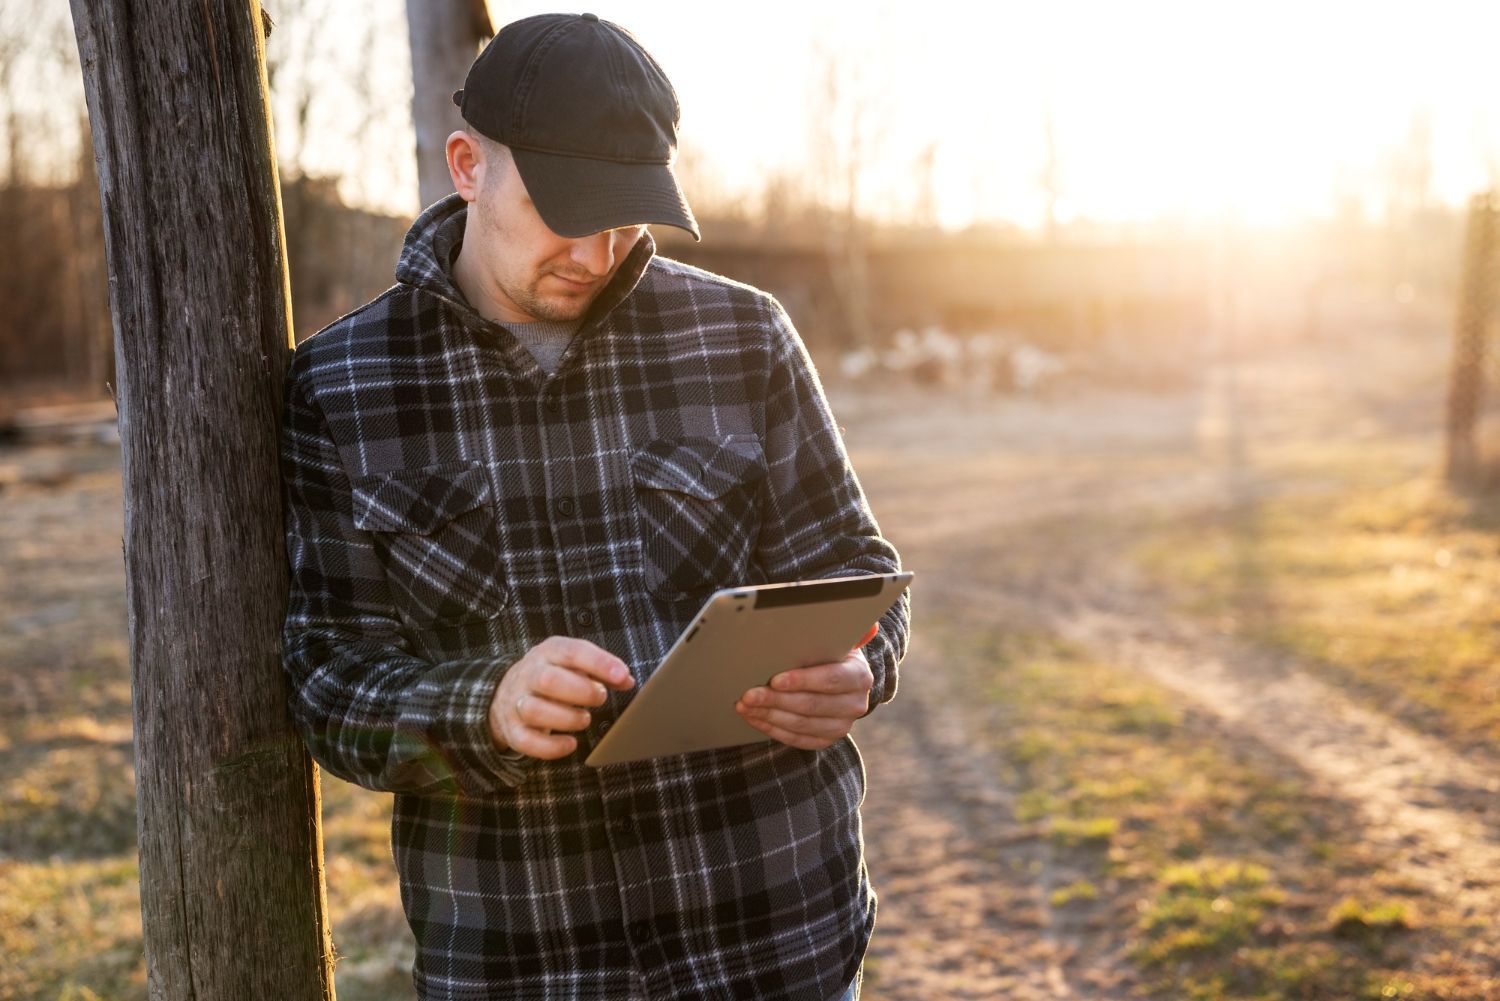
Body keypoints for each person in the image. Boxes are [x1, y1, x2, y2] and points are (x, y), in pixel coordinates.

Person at [278, 13, 909, 1001]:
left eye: (627, 217)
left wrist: (861, 664)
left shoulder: (745, 336)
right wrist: (480, 704)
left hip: (777, 933)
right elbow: (328, 679)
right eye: (565, 209)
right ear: (466, 166)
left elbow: (854, 565)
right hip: (526, 957)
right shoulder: (339, 385)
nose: (597, 250)